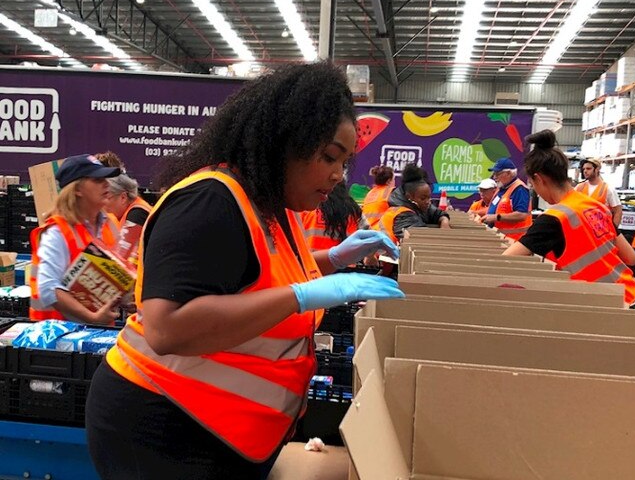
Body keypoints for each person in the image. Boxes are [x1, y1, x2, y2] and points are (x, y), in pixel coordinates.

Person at [85, 62, 404, 480]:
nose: (337, 175)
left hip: (221, 429)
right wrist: (303, 296)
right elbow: (167, 329)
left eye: (343, 162)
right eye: (328, 157)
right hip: (164, 427)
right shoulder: (209, 202)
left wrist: (332, 261)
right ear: (284, 141)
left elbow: (257, 272)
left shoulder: (271, 204)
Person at [503, 130, 635, 306]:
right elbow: (631, 257)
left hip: (606, 307)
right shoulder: (596, 206)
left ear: (539, 179)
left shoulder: (554, 218)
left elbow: (506, 261)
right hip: (630, 295)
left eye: (533, 185)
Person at [29, 154, 122, 323]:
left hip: (95, 336)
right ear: (77, 189)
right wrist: (92, 317)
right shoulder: (57, 231)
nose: (106, 184)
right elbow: (48, 288)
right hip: (57, 337)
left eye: (106, 179)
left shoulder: (109, 224)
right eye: (97, 180)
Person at [379, 164, 450, 243]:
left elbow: (437, 213)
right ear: (409, 197)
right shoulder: (402, 213)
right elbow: (420, 238)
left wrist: (444, 221)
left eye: (429, 197)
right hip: (383, 253)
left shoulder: (417, 203)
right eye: (423, 198)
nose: (427, 202)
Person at [301, 181, 369, 251]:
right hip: (345, 260)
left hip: (309, 260)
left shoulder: (306, 208)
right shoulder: (354, 210)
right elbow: (368, 238)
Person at [480, 157, 532, 240]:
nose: (494, 177)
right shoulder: (502, 188)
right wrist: (478, 213)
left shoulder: (519, 189)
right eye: (494, 174)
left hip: (513, 241)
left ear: (508, 173)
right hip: (501, 239)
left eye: (497, 174)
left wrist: (496, 217)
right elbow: (496, 209)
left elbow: (522, 215)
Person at [104, 173, 152, 264]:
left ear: (123, 197)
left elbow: (121, 257)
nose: (103, 202)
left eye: (107, 198)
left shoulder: (137, 214)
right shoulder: (133, 212)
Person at [576, 158, 622, 227]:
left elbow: (618, 211)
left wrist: (614, 231)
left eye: (588, 169)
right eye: (584, 169)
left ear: (597, 169)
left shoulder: (608, 189)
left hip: (601, 231)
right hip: (583, 230)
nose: (585, 171)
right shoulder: (579, 187)